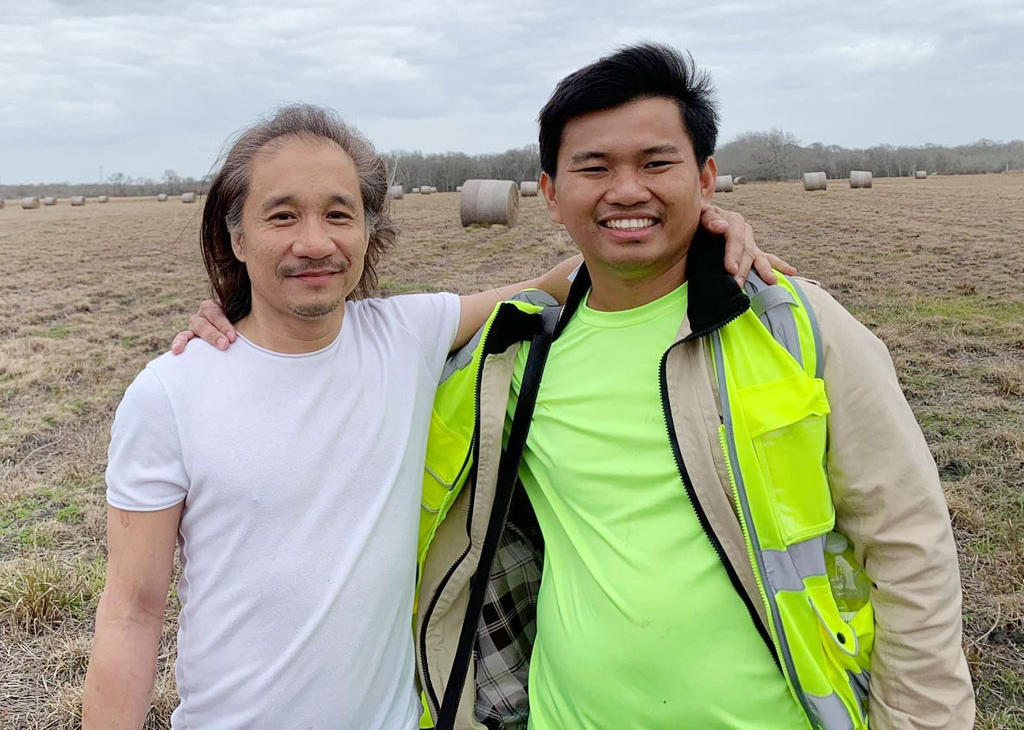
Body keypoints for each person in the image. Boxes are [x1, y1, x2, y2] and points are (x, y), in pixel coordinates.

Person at [83, 104, 777, 730]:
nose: (315, 241)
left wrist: (706, 231)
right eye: (282, 214)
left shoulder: (406, 334)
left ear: (368, 229)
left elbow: (566, 279)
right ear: (236, 237)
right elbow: (131, 612)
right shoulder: (170, 392)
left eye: (338, 212)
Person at [411, 43, 975, 729]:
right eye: (594, 167)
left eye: (656, 164)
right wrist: (235, 299)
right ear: (550, 194)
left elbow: (909, 539)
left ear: (706, 179)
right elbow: (329, 344)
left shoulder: (795, 326)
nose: (626, 190)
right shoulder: (511, 358)